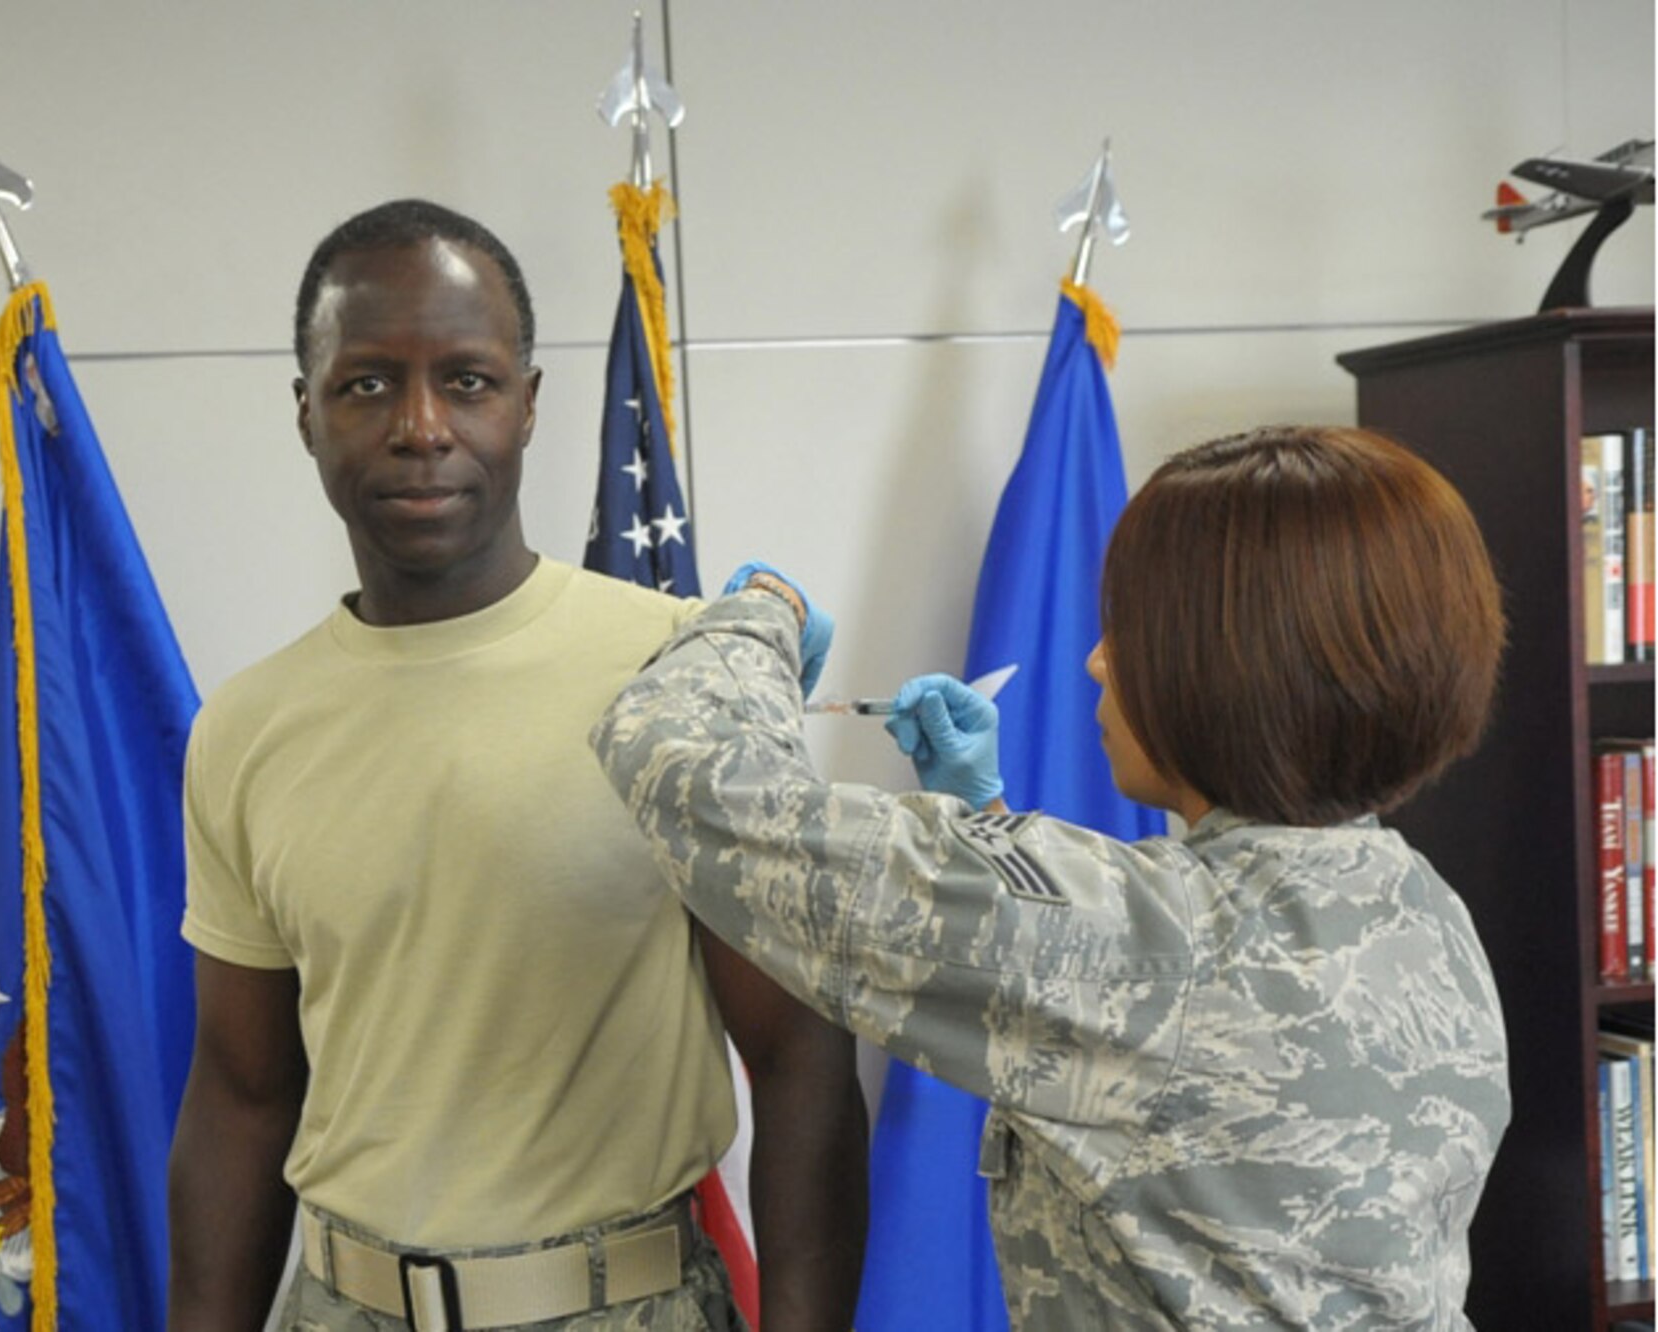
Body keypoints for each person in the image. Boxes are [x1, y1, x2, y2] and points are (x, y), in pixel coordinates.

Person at [591, 426, 1512, 1330]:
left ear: (1234, 667)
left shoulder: (1154, 949)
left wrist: (761, 614)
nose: (1097, 659)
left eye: (1134, 630)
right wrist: (984, 825)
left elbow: (690, 778)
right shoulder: (1417, 904)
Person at [167, 199, 867, 1332]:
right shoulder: (246, 727)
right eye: (366, 385)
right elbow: (241, 1097)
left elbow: (800, 1060)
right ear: (305, 416)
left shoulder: (676, 678)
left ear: (530, 405)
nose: (420, 426)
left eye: (469, 380)